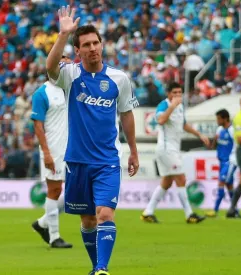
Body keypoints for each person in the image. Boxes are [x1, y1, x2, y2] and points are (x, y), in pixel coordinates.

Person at [45, 6, 140, 275]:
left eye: (96, 43)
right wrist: (63, 34)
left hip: (107, 161)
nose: (92, 48)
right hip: (76, 161)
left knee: (105, 215)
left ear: (102, 45)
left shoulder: (119, 78)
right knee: (87, 221)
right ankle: (95, 266)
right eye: (86, 44)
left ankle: (101, 268)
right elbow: (50, 67)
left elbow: (127, 115)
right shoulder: (71, 75)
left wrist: (133, 150)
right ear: (78, 51)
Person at [141, 82, 209, 224]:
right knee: (181, 178)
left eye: (179, 92)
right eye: (175, 93)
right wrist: (172, 106)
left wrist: (199, 135)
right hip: (166, 148)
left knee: (167, 182)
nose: (178, 95)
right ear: (168, 93)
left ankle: (148, 212)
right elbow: (160, 120)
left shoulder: (180, 107)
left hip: (173, 148)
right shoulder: (164, 105)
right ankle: (189, 214)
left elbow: (183, 125)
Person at [31, 56, 73, 249]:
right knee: (55, 190)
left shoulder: (71, 90)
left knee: (75, 193)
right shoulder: (42, 93)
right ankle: (54, 236)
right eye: (64, 63)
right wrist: (46, 153)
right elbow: (38, 126)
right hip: (54, 149)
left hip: (74, 149)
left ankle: (42, 223)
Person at [205, 109, 238, 218]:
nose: (217, 121)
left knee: (221, 183)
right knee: (229, 186)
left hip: (230, 161)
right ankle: (235, 211)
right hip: (221, 161)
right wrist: (214, 140)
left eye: (219, 118)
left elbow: (238, 145)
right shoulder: (219, 130)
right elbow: (213, 146)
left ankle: (215, 210)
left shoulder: (232, 130)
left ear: (225, 118)